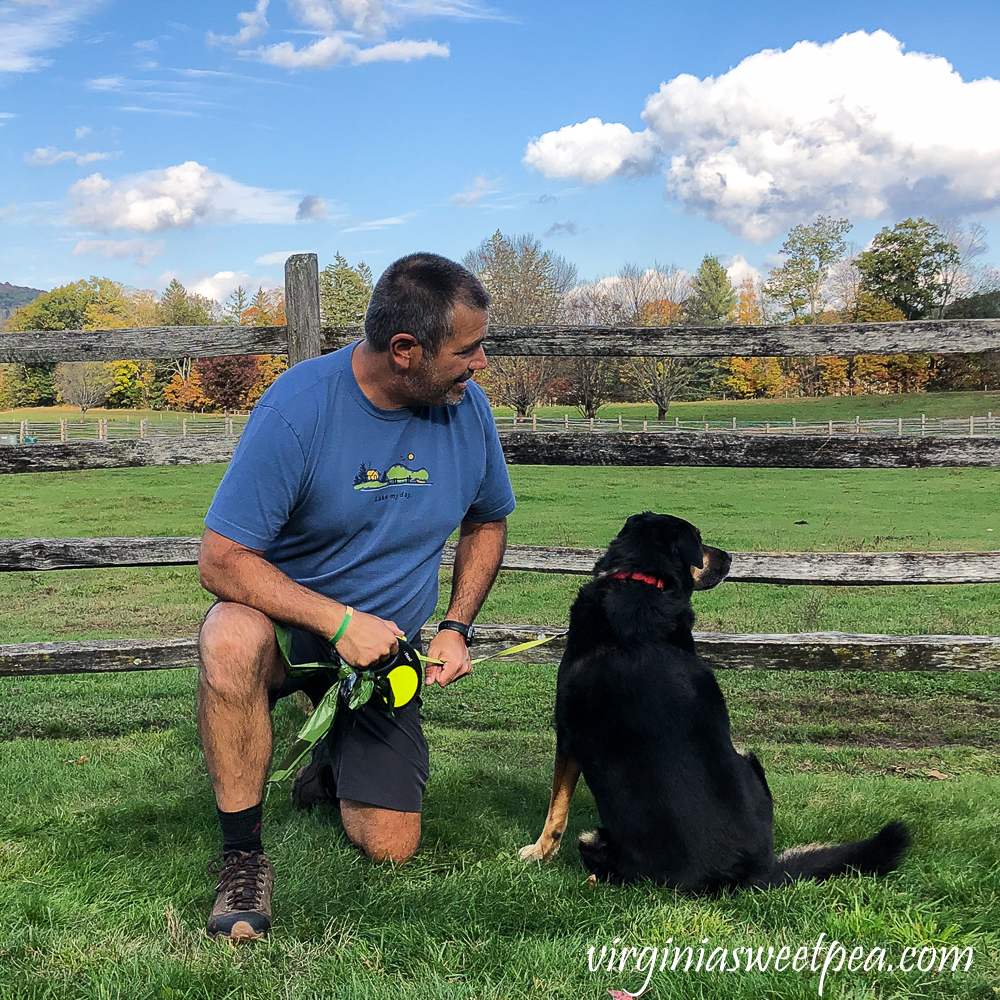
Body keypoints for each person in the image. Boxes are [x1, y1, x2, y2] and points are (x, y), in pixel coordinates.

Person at [196, 252, 515, 940]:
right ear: (405, 350)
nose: (481, 363)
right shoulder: (298, 408)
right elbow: (221, 561)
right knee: (228, 635)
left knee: (390, 847)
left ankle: (332, 759)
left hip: (382, 658)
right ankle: (243, 856)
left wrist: (457, 625)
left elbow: (488, 518)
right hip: (293, 631)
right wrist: (338, 621)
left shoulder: (466, 408)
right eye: (468, 348)